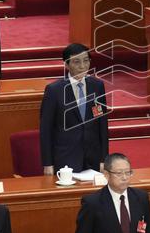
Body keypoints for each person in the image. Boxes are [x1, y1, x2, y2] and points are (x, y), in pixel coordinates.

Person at [39, 43, 109, 174]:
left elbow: (102, 123)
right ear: (66, 64)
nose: (82, 66)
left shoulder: (97, 86)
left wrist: (103, 158)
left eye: (86, 61)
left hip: (92, 157)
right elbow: (46, 129)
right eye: (76, 62)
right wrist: (47, 163)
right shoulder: (54, 90)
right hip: (65, 158)